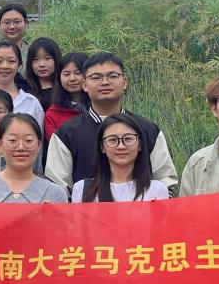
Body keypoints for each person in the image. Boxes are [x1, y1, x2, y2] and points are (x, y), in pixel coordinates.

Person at [45, 52, 177, 196]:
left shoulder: (148, 130)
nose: (105, 82)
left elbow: (166, 181)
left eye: (113, 76)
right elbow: (58, 190)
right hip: (86, 210)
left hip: (142, 209)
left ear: (124, 82)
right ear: (84, 84)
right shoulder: (66, 134)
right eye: (96, 77)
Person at [0, 113, 67, 203]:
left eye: (28, 141)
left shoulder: (55, 193)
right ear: (0, 145)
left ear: (38, 145)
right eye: (12, 140)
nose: (21, 147)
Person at [73, 113, 171, 202]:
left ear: (140, 145)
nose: (121, 146)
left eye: (128, 139)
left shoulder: (156, 190)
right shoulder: (82, 190)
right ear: (102, 147)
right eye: (113, 140)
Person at [43, 51, 89, 138]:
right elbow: (56, 144)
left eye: (78, 73)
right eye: (66, 74)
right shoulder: (53, 114)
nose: (72, 78)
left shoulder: (101, 106)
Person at [24, 38, 62, 111]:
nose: (42, 64)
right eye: (36, 59)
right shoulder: (24, 88)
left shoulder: (64, 87)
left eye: (47, 58)